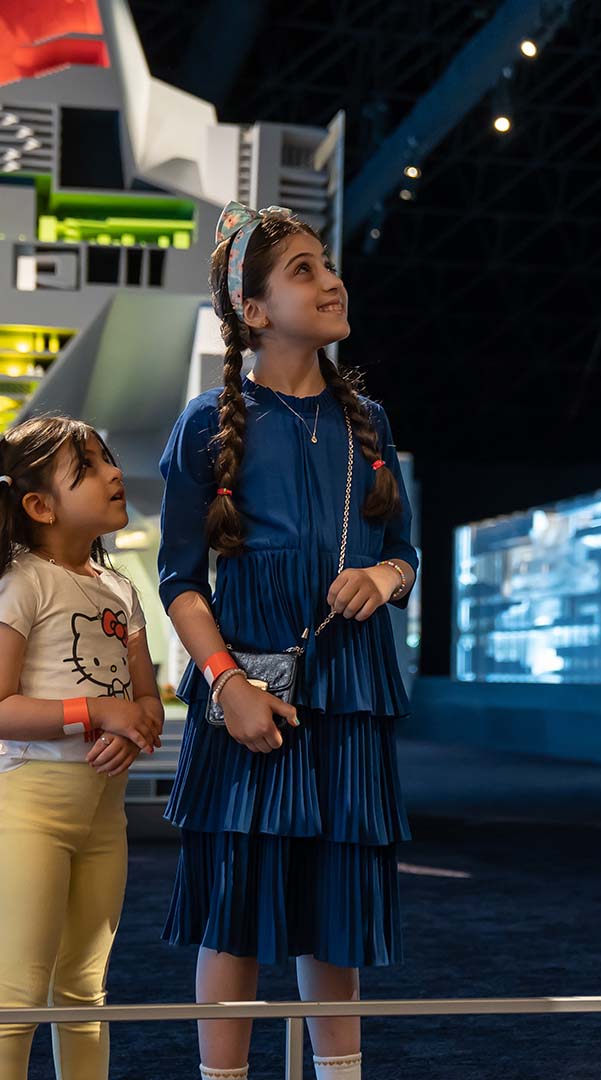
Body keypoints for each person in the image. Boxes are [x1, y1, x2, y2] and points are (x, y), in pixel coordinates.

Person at [158, 202, 418, 1080]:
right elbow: (179, 581)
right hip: (245, 691)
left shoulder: (368, 423)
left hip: (350, 682)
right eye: (302, 269)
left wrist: (384, 580)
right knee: (233, 907)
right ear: (256, 311)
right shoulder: (206, 425)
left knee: (335, 908)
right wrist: (226, 686)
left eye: (326, 262)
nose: (330, 278)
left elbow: (406, 554)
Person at [0, 415, 164, 1079]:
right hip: (29, 810)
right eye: (89, 468)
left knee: (84, 991)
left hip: (104, 816)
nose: (114, 473)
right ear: (39, 505)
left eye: (109, 460)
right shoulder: (23, 584)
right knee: (14, 994)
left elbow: (148, 701)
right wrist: (96, 711)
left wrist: (134, 731)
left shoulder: (121, 590)